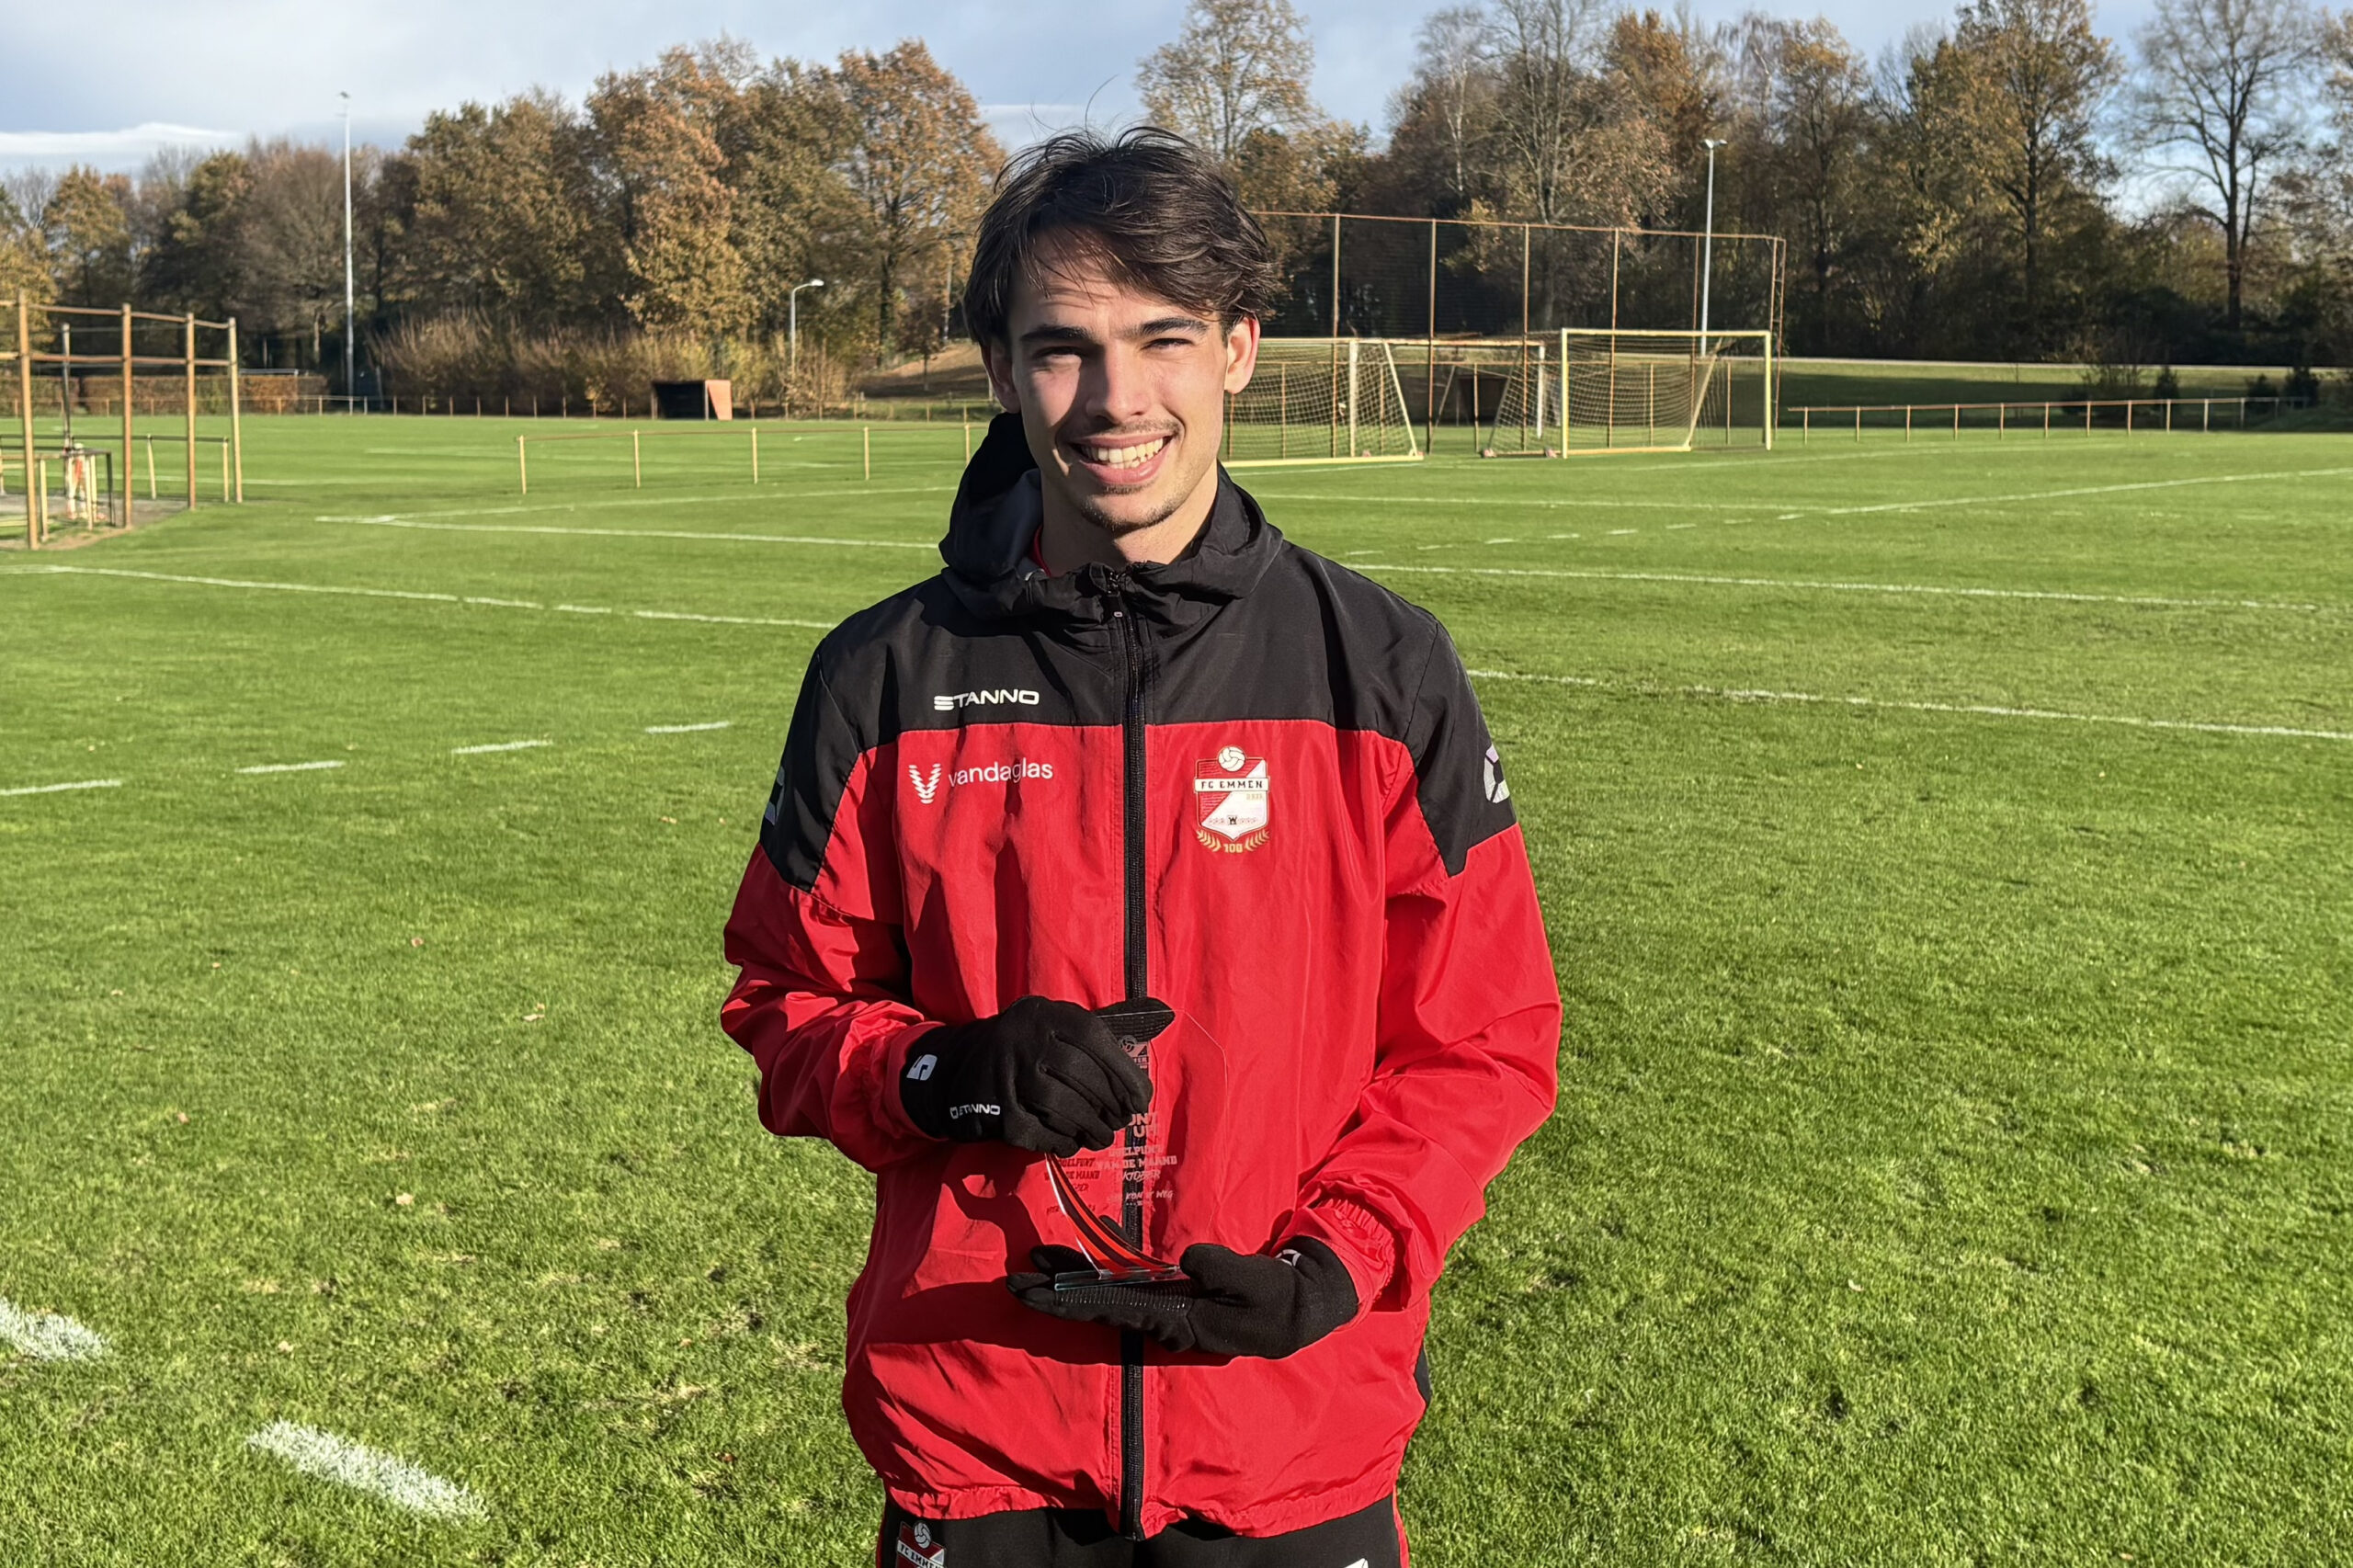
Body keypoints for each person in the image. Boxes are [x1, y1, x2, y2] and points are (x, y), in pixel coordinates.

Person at [722, 127, 1561, 1567]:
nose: (1115, 399)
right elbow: (785, 1001)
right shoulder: (882, 677)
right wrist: (942, 1071)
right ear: (997, 368)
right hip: (981, 1437)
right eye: (1062, 347)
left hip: (1287, 1436)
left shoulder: (1382, 665)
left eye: (1162, 337)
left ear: (1238, 346)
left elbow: (1484, 1039)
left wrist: (1336, 1262)